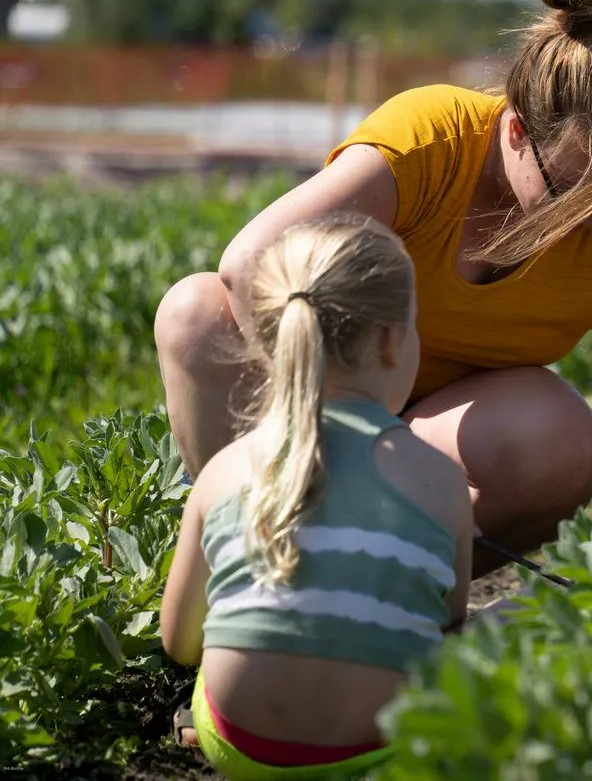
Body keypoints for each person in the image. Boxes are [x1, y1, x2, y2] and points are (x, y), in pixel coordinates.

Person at [155, 0, 592, 577]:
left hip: (432, 442)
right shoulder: (432, 141)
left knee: (560, 439)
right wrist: (331, 439)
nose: (588, 221)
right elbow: (250, 262)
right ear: (514, 130)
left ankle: (395, 584)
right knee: (195, 316)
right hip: (322, 401)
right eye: (568, 190)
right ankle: (239, 562)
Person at [160, 213, 472, 777]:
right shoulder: (442, 480)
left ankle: (193, 727)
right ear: (391, 340)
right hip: (385, 753)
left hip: (242, 750)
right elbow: (444, 631)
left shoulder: (224, 471)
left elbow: (179, 643)